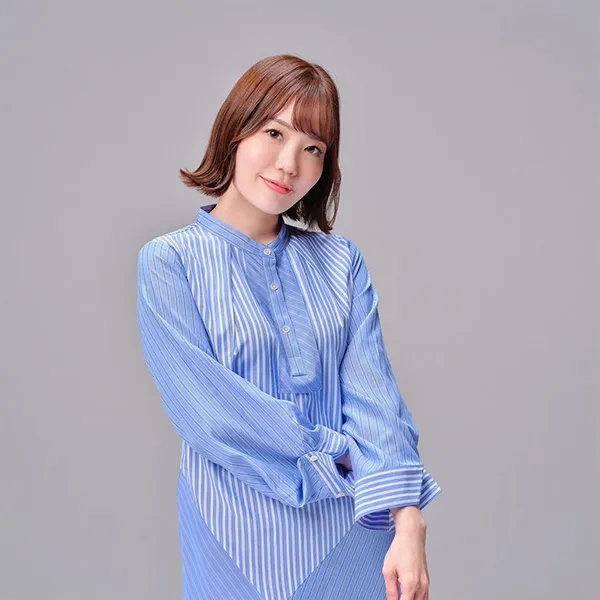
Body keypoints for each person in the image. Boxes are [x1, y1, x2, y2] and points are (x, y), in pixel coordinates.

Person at [136, 54, 442, 600]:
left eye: (313, 148)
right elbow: (211, 414)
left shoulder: (340, 261)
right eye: (274, 133)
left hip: (353, 529)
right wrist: (334, 449)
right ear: (235, 129)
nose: (288, 164)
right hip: (231, 531)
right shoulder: (170, 262)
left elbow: (376, 399)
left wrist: (408, 518)